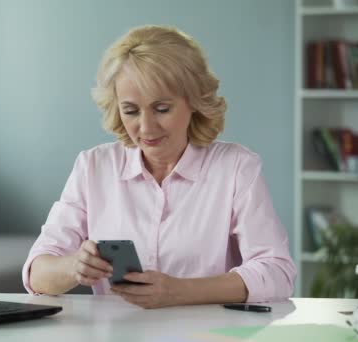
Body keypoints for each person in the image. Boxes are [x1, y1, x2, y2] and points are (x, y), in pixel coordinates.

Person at [22, 25, 296, 309]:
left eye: (162, 109)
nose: (146, 127)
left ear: (193, 101)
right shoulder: (93, 167)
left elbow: (277, 272)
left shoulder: (236, 167)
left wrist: (181, 292)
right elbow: (36, 273)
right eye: (130, 110)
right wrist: (73, 267)